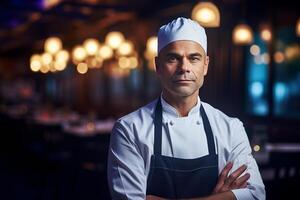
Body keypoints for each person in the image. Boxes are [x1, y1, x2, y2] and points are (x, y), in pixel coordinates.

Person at [107, 17, 265, 200]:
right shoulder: (129, 129)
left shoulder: (230, 128)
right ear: (158, 66)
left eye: (194, 58)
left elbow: (255, 194)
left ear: (205, 65)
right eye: (173, 58)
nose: (184, 68)